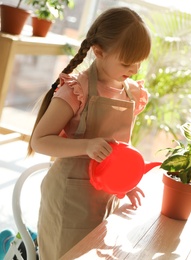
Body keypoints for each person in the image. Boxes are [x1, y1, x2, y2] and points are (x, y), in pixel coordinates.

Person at [27, 7, 152, 259]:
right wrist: (86, 146)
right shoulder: (76, 90)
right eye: (127, 62)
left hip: (104, 198)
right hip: (68, 199)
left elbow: (116, 151)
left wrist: (125, 183)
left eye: (140, 61)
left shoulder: (131, 93)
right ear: (98, 52)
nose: (135, 69)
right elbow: (39, 141)